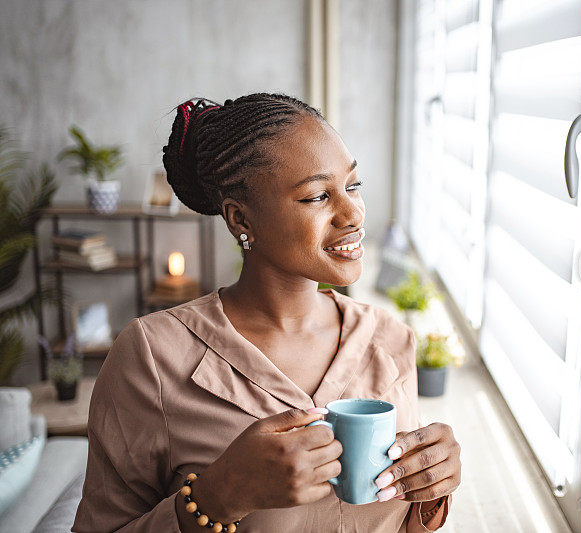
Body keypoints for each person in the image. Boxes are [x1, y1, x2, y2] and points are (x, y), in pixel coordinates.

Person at [72, 94, 461, 532]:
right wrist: (218, 496)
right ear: (241, 219)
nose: (353, 214)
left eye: (352, 185)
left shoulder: (389, 338)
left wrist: (432, 488)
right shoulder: (152, 358)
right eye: (317, 196)